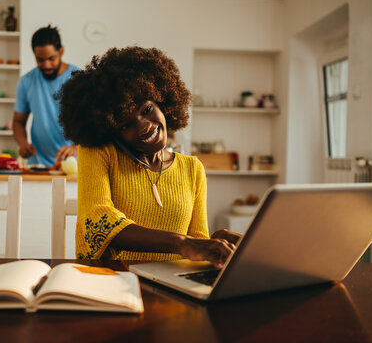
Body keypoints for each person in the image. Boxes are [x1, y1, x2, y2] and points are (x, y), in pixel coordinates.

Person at [59, 46, 241, 267]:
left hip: (172, 290)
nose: (144, 126)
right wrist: (181, 242)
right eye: (126, 124)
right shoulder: (98, 152)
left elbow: (197, 244)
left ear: (162, 101)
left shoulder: (192, 169)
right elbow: (98, 219)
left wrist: (215, 244)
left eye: (146, 110)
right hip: (111, 284)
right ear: (110, 131)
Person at [13, 25, 79, 167]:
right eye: (40, 60)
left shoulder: (78, 78)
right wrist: (23, 143)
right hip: (38, 165)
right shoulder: (26, 81)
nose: (46, 65)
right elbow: (18, 122)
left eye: (51, 58)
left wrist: (77, 147)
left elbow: (94, 122)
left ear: (61, 51)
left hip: (73, 165)